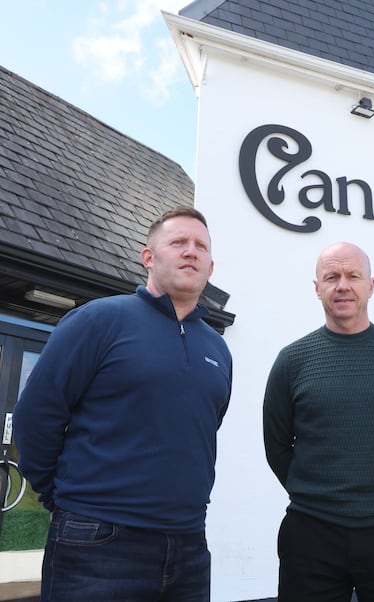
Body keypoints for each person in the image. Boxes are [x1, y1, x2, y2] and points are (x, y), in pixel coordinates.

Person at [14, 206, 233, 602]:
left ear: (211, 266)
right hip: (98, 541)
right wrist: (62, 500)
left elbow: (204, 428)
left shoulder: (217, 348)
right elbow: (36, 417)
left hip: (188, 545)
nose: (191, 251)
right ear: (148, 257)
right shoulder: (98, 321)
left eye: (200, 246)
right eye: (178, 242)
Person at [263, 241, 374, 602]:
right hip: (311, 535)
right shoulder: (291, 361)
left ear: (370, 285)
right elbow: (277, 447)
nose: (342, 285)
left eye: (353, 276)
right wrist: (318, 494)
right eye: (331, 277)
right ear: (317, 288)